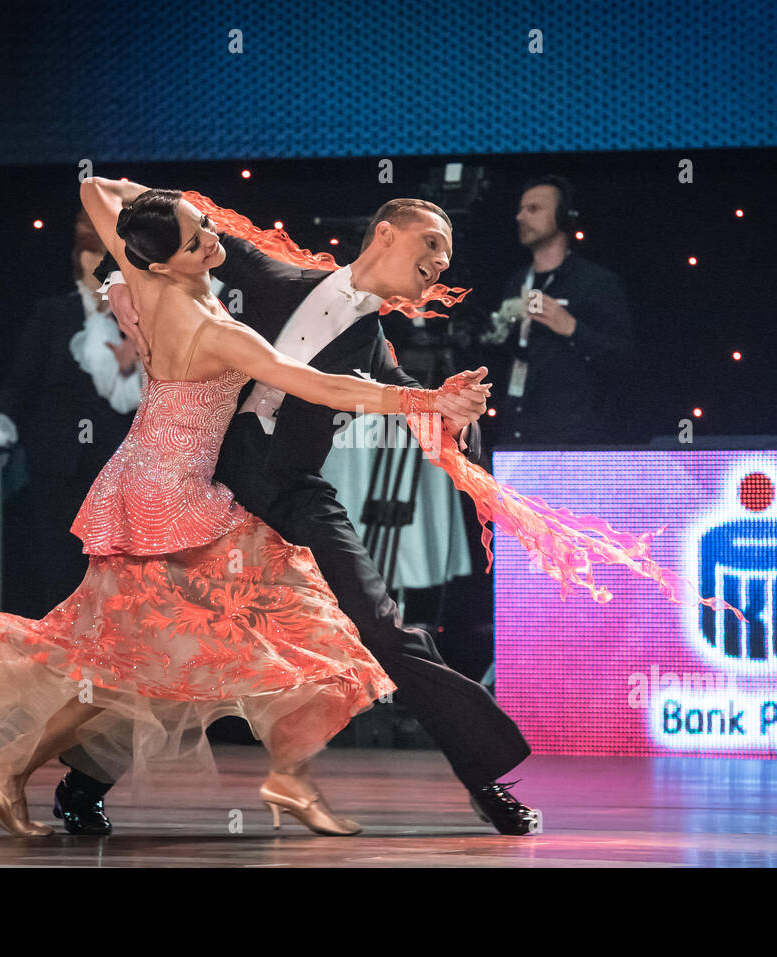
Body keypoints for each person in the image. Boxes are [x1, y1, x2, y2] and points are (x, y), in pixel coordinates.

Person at [0, 181, 484, 838]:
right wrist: (421, 403)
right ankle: (280, 776)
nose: (215, 235)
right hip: (175, 503)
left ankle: (24, 770)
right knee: (277, 619)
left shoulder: (151, 278)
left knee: (137, 655)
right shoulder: (215, 330)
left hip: (141, 483)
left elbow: (94, 188)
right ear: (169, 259)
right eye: (199, 237)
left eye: (204, 226)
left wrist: (165, 206)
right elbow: (320, 385)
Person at [62, 185, 543, 837]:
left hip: (294, 491)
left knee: (385, 627)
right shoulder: (270, 272)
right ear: (385, 235)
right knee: (179, 639)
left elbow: (412, 404)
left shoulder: (375, 345)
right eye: (432, 242)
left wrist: (453, 410)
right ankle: (83, 782)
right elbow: (143, 217)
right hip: (213, 480)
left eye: (448, 253)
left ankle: (485, 779)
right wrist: (145, 228)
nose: (441, 260)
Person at [0, 209, 145, 617]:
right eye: (92, 257)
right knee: (64, 580)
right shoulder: (53, 315)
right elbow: (20, 385)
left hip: (126, 473)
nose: (100, 269)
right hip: (61, 475)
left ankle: (118, 674)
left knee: (125, 587)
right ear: (79, 261)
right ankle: (63, 673)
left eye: (109, 260)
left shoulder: (142, 316)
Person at [490, 175, 634, 444]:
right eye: (520, 210)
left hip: (572, 439)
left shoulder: (596, 283)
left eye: (533, 209)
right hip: (516, 432)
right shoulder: (517, 282)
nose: (520, 217)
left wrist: (570, 328)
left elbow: (622, 359)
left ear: (563, 217)